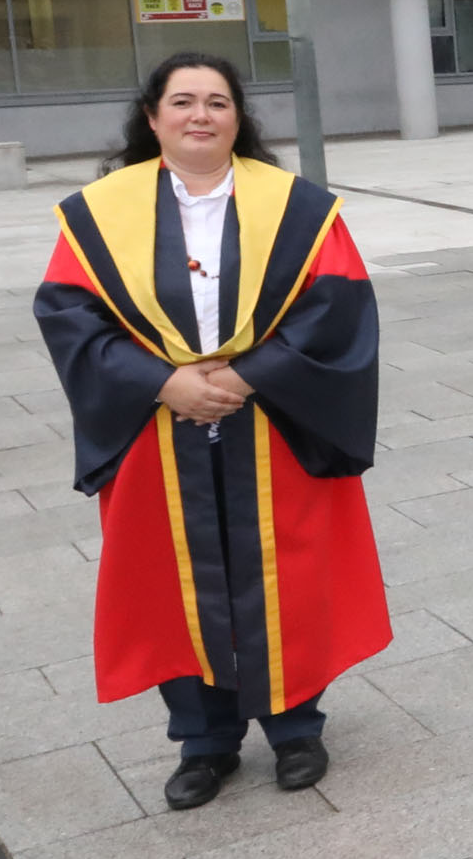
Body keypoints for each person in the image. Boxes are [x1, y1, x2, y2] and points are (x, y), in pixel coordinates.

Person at [37, 54, 389, 808]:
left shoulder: (297, 207)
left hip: (272, 422)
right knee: (173, 583)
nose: (201, 114)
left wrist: (244, 376)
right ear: (153, 116)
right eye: (183, 100)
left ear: (239, 118)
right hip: (157, 427)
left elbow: (337, 308)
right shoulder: (100, 212)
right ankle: (204, 742)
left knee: (287, 573)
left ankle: (296, 727)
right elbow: (70, 316)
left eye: (218, 101)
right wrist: (164, 381)